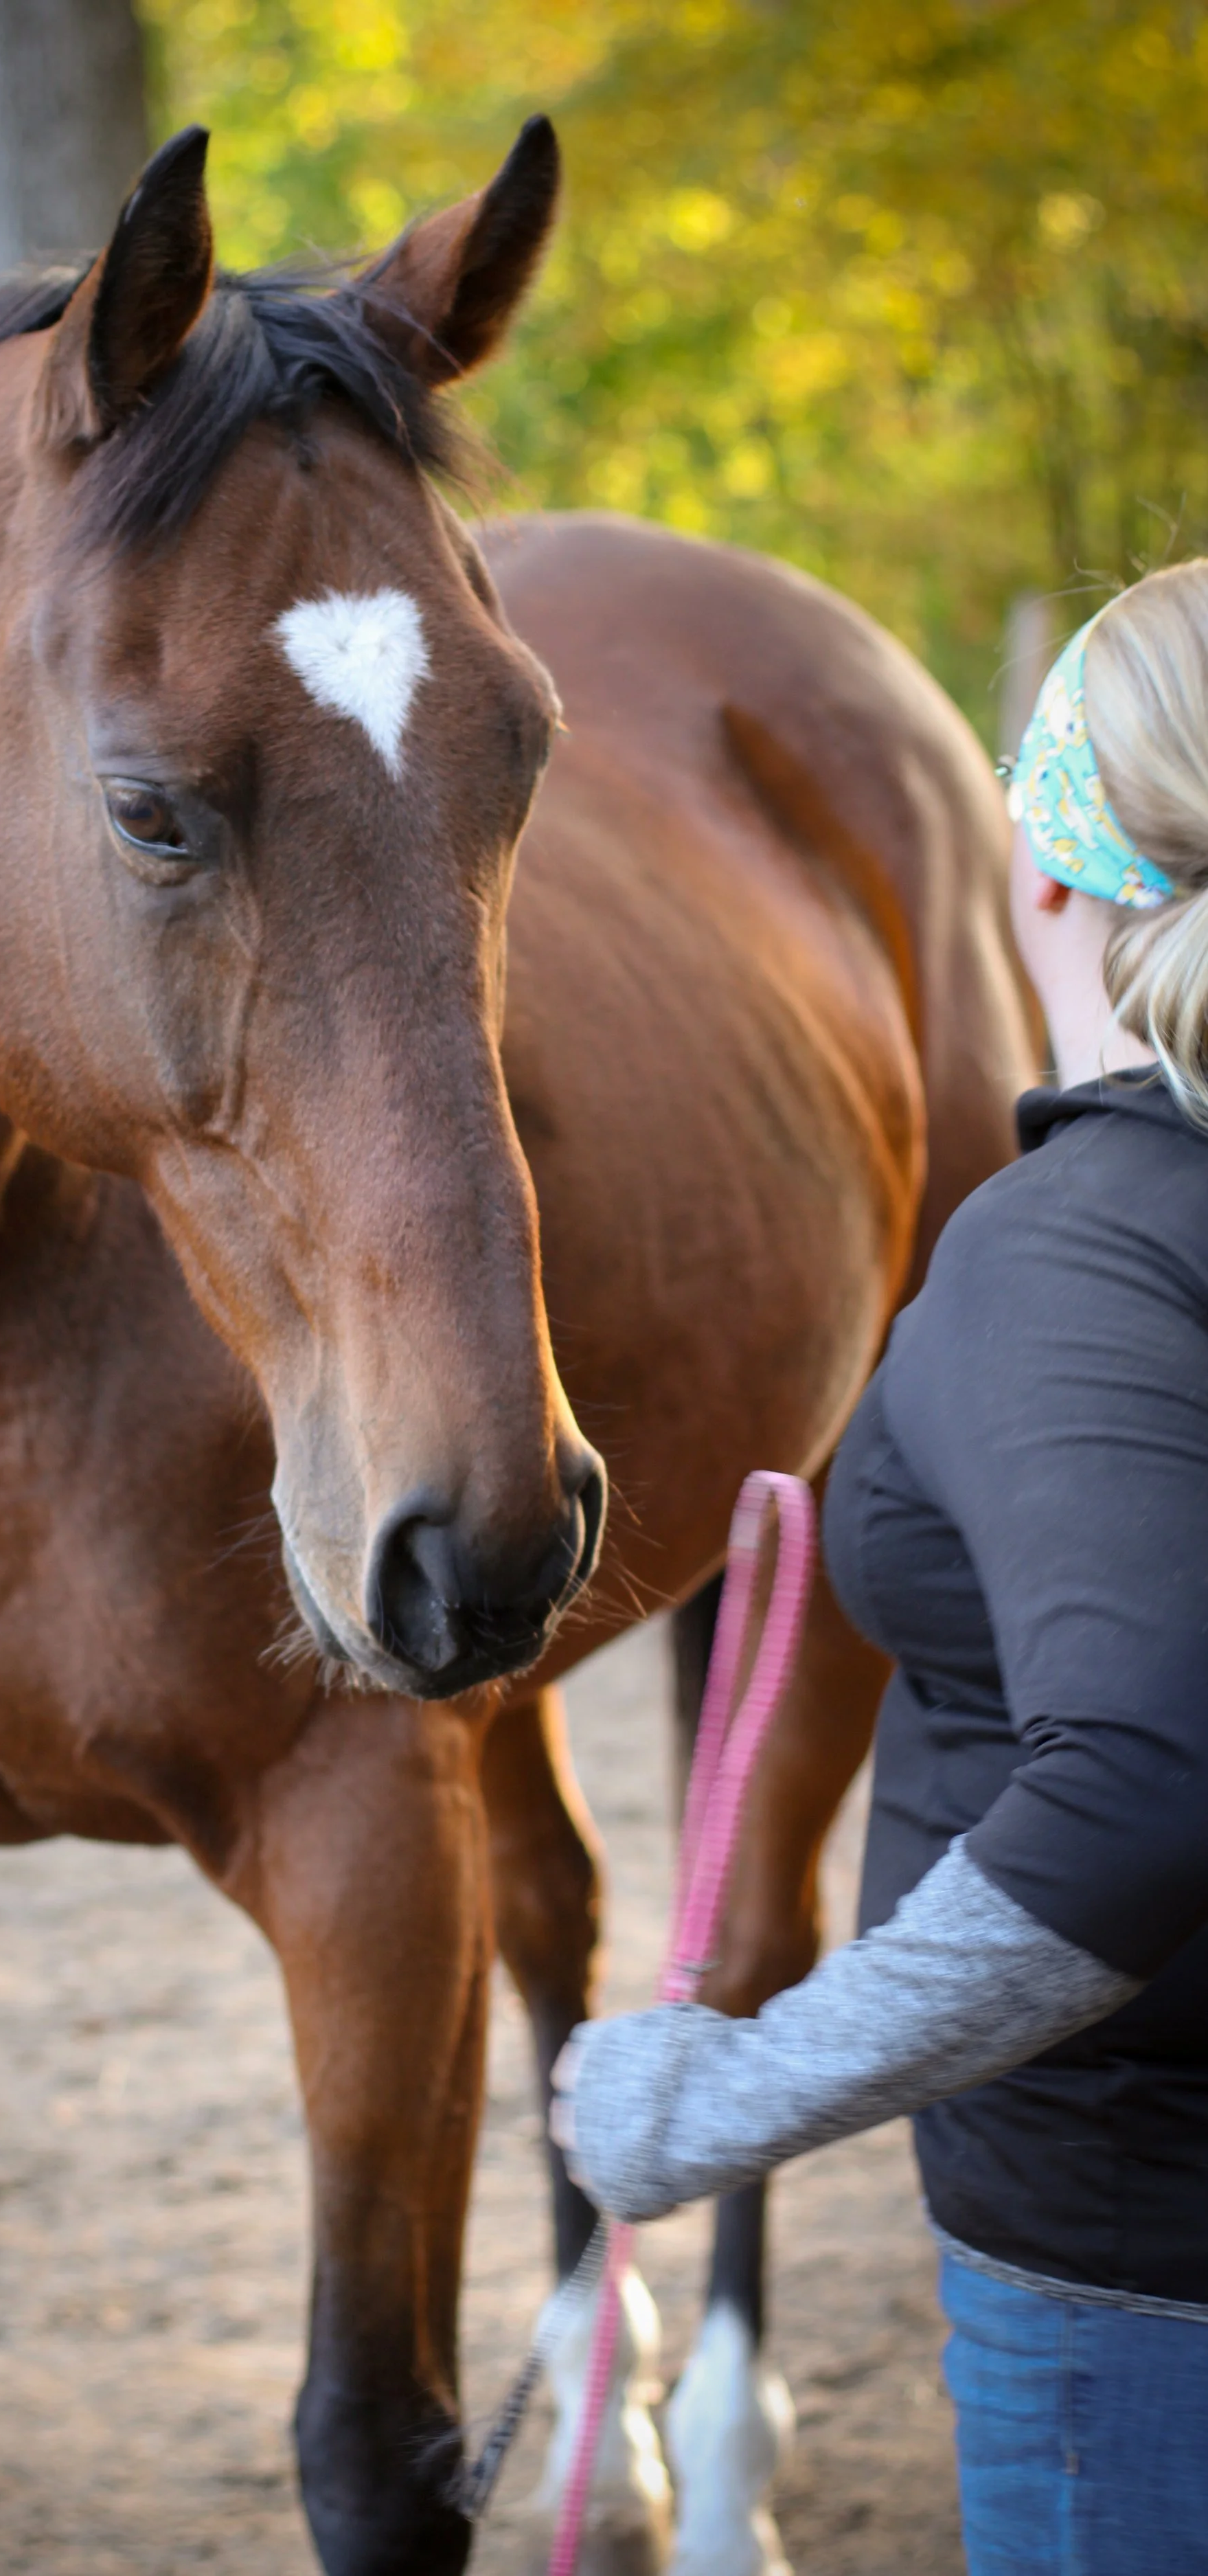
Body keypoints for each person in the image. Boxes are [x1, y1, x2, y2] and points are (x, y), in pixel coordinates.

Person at [551, 561, 1208, 2576]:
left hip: (1140, 2282)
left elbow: (1137, 1793)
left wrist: (735, 2091)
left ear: (1053, 883)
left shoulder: (1079, 1251)